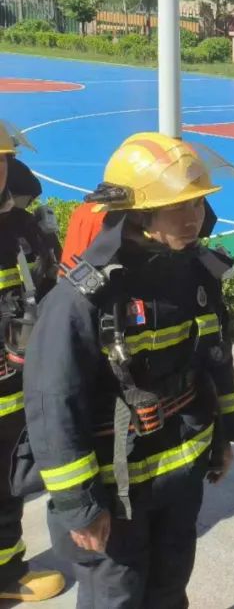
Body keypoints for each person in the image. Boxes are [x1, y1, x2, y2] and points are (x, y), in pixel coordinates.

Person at [20, 132, 234, 608]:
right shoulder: (82, 300)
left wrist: (225, 433)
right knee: (117, 597)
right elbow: (53, 404)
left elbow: (215, 358)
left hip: (180, 480)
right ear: (140, 214)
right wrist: (80, 506)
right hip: (115, 497)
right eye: (177, 207)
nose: (193, 217)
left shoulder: (196, 274)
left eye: (197, 203)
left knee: (170, 588)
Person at [0, 123, 66, 603]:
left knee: (7, 487)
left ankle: (5, 575)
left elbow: (48, 295)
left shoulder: (22, 229)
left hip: (12, 394)